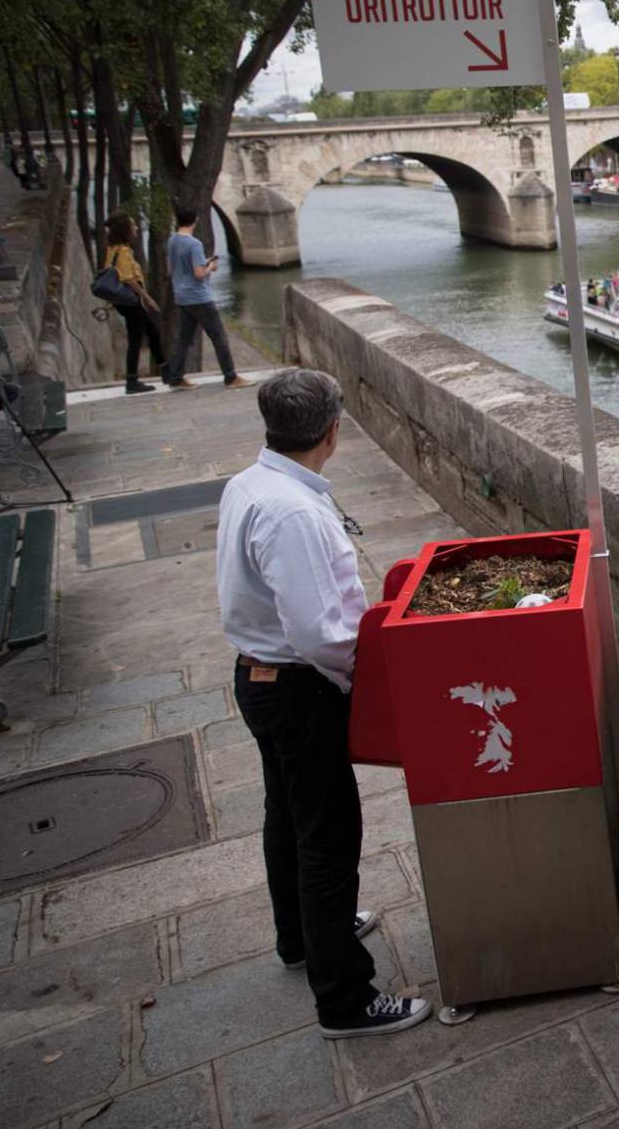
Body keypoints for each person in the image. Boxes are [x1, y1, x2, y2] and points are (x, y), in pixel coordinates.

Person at [216, 369, 429, 1038]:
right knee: (329, 838)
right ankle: (344, 997)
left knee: (288, 817)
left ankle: (300, 937)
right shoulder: (294, 511)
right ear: (333, 431)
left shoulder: (250, 483)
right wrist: (364, 681)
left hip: (259, 676)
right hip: (300, 687)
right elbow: (320, 633)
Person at [162, 206, 244, 389]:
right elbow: (199, 274)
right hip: (199, 297)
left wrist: (201, 263)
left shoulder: (172, 240)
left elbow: (171, 269)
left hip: (181, 296)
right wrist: (211, 267)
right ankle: (230, 376)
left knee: (184, 338)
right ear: (195, 220)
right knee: (219, 337)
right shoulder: (194, 244)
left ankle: (175, 377)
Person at [103, 213, 165, 394]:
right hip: (131, 301)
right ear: (125, 230)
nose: (136, 228)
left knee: (150, 332)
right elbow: (128, 278)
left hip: (126, 302)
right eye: (133, 226)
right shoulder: (122, 252)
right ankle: (134, 380)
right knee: (139, 338)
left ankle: (165, 370)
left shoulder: (113, 249)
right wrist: (147, 297)